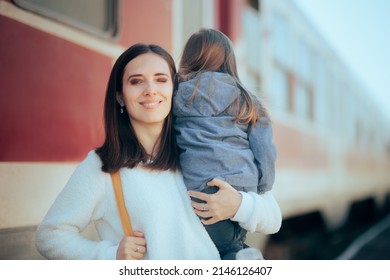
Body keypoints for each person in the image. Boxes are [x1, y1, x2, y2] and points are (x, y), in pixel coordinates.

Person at [35, 43, 281, 260]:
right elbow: (50, 236)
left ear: (176, 91)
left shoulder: (202, 147)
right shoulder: (104, 167)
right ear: (120, 96)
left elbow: (273, 218)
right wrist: (110, 256)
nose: (150, 89)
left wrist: (239, 205)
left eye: (161, 79)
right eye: (136, 81)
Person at [173, 28, 279, 259]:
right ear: (230, 61)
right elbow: (265, 151)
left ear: (188, 58)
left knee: (227, 250)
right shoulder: (248, 100)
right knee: (234, 249)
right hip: (242, 186)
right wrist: (262, 188)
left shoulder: (176, 95)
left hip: (199, 188)